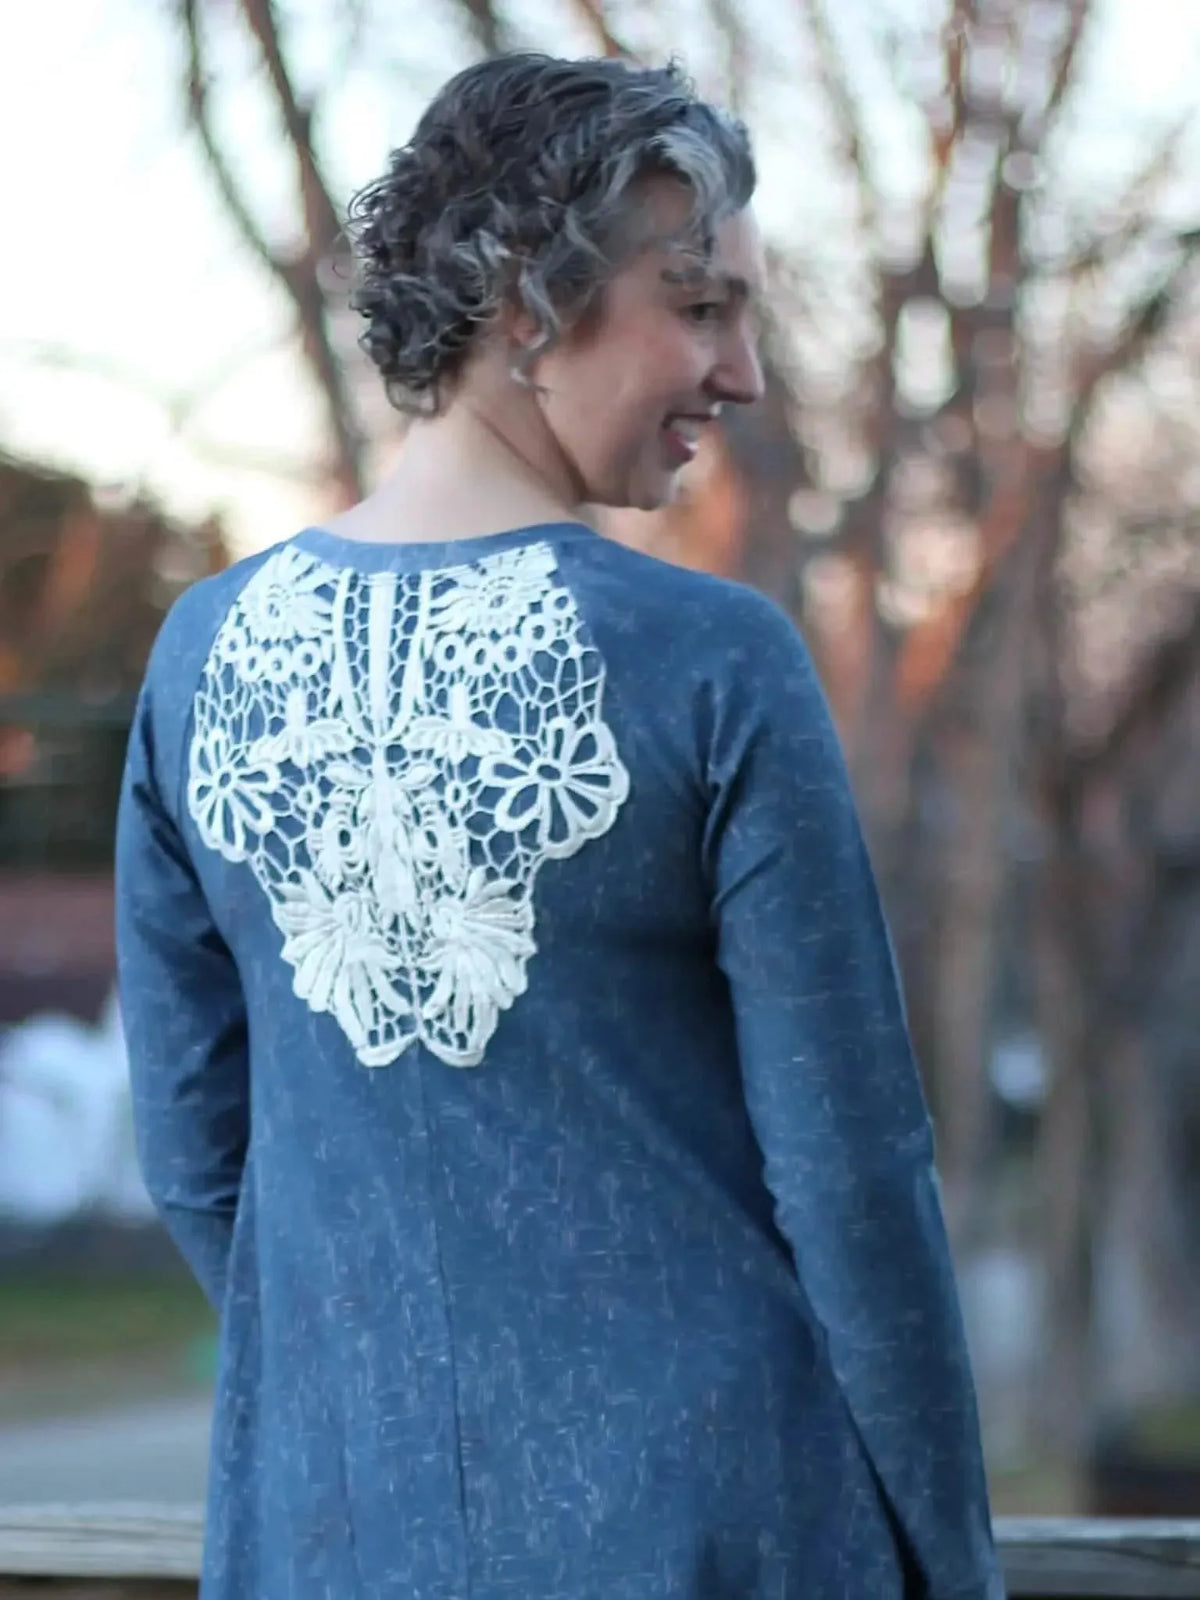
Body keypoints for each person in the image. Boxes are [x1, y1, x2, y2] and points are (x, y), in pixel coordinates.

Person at [115, 52, 1006, 1600]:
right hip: (724, 1530)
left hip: (331, 1536)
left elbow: (203, 1159)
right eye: (701, 305)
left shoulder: (200, 656)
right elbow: (856, 1179)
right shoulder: (718, 662)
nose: (743, 375)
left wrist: (372, 1400)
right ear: (530, 300)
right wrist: (953, 1558)